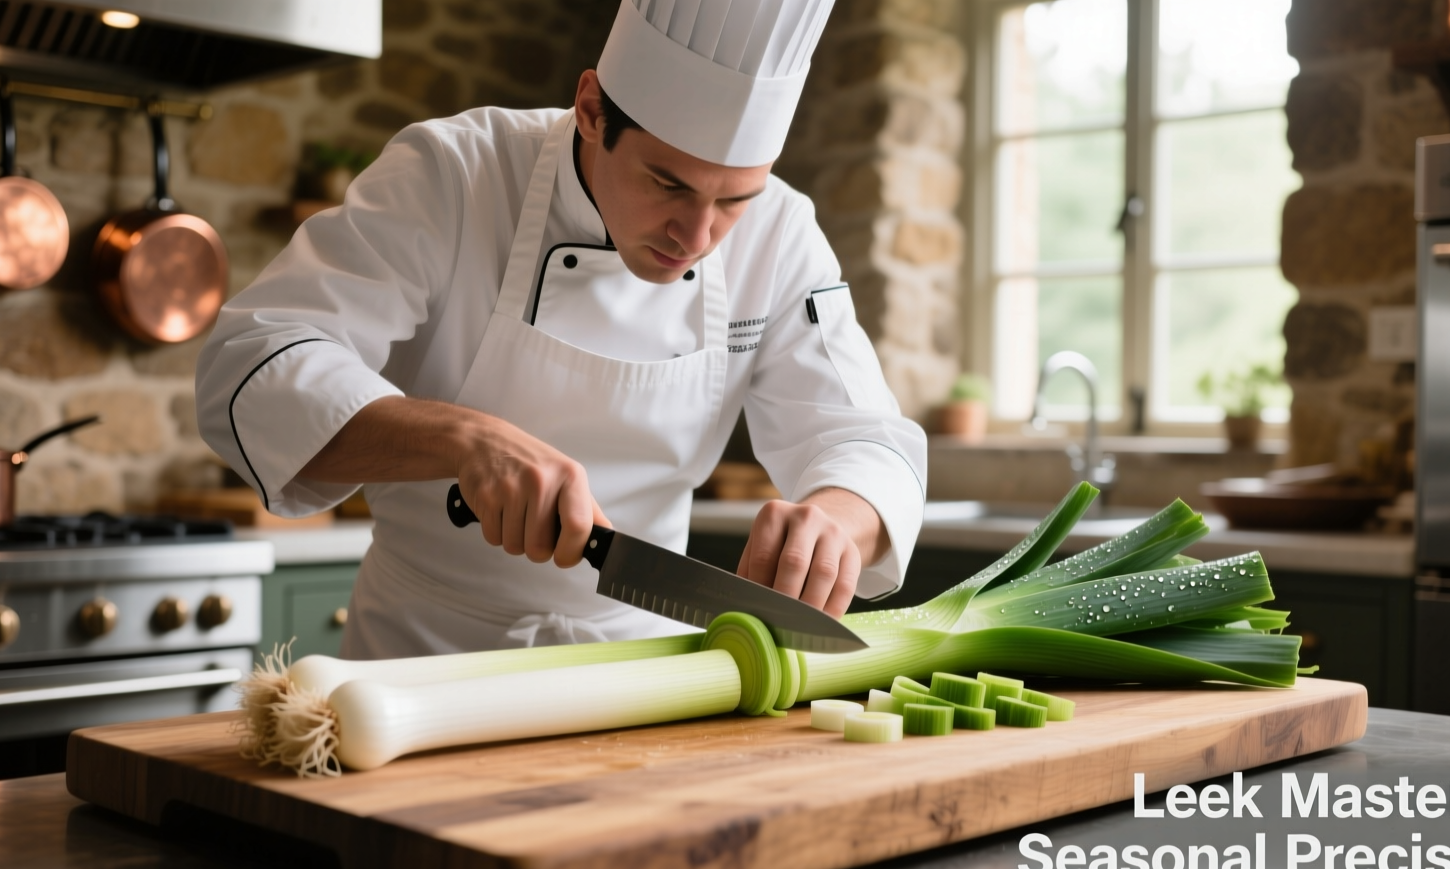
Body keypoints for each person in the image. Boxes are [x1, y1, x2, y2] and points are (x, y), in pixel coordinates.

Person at [195, 0, 927, 659]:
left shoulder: (781, 233)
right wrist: (461, 438)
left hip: (642, 670)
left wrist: (840, 519)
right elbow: (256, 360)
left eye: (734, 198)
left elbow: (864, 438)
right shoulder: (454, 174)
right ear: (589, 109)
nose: (698, 233)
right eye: (666, 183)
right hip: (423, 659)